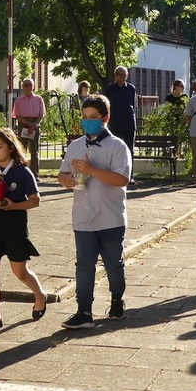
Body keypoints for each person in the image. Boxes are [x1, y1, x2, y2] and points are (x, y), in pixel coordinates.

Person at [58, 94, 131, 329]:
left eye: (94, 117)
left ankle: (117, 299)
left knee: (113, 264)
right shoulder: (76, 145)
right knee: (84, 264)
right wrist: (66, 181)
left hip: (110, 217)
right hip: (83, 216)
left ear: (105, 119)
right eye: (85, 117)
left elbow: (121, 179)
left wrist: (92, 169)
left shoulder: (117, 146)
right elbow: (62, 173)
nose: (88, 121)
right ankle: (84, 311)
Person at [0, 128, 46, 331]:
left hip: (15, 226)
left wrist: (13, 205)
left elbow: (35, 201)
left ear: (11, 148)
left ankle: (40, 295)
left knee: (19, 271)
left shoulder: (22, 172)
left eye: (0, 147)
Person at [104, 66, 136, 184]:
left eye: (124, 74)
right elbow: (107, 105)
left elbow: (133, 104)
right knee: (115, 149)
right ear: (116, 76)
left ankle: (130, 175)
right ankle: (115, 173)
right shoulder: (110, 88)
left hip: (128, 122)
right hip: (116, 122)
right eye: (120, 74)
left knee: (129, 149)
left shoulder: (131, 88)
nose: (123, 76)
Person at [11, 78, 46, 182]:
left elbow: (42, 114)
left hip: (35, 123)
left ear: (33, 86)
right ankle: (22, 173)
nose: (28, 87)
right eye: (26, 85)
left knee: (34, 151)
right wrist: (29, 124)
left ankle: (35, 175)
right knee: (22, 150)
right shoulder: (18, 100)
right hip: (24, 123)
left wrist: (34, 124)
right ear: (23, 87)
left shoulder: (39, 99)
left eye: (30, 85)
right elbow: (17, 115)